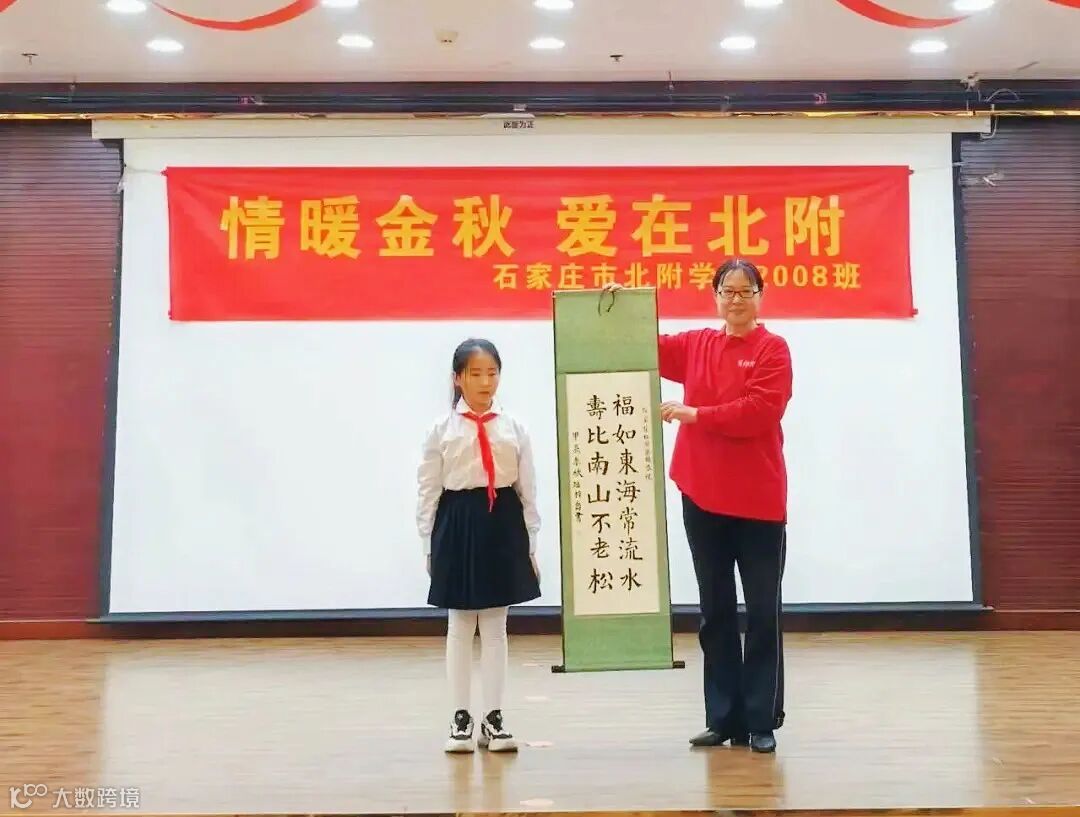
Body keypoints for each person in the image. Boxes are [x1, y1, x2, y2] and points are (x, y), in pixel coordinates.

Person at [608, 257, 793, 753]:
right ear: (715, 297)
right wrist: (622, 306)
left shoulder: (773, 349)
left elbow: (759, 412)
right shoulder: (697, 345)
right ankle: (724, 718)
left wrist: (696, 414)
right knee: (715, 610)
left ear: (760, 296)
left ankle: (761, 720)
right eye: (727, 291)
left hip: (758, 502)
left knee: (762, 612)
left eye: (746, 291)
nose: (736, 300)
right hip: (702, 495)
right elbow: (641, 343)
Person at [416, 338, 541, 754]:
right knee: (459, 625)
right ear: (458, 378)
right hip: (457, 522)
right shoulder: (441, 429)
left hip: (502, 522)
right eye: (476, 374)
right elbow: (428, 489)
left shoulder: (514, 427)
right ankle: (460, 719)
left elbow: (528, 489)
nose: (486, 382)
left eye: (492, 373)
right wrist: (428, 544)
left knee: (495, 627)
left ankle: (494, 718)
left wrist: (531, 543)